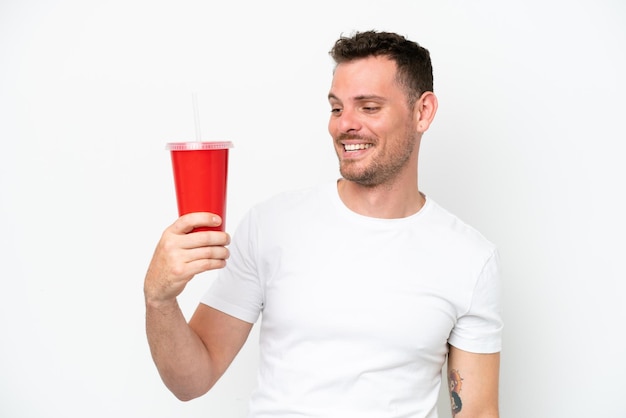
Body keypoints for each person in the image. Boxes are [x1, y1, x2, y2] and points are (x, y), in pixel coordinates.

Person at [144, 30, 502, 418]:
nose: (344, 125)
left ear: (423, 111)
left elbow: (477, 412)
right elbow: (190, 381)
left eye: (368, 107)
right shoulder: (271, 225)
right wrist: (159, 299)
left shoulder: (469, 258)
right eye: (336, 108)